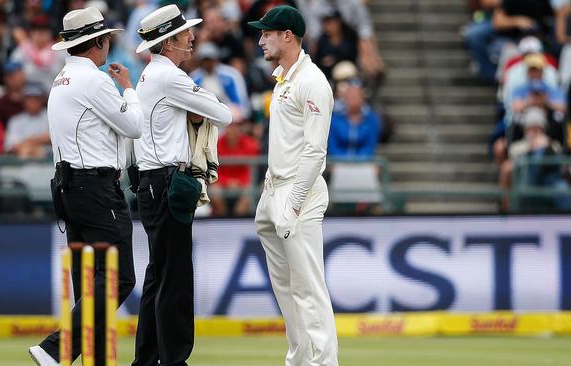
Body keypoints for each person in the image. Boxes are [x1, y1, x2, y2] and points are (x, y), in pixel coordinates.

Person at [29, 7, 141, 366]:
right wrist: (128, 89)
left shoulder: (61, 78)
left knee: (88, 282)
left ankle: (82, 358)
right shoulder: (94, 80)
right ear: (99, 43)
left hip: (69, 188)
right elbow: (134, 125)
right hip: (95, 188)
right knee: (119, 277)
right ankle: (54, 349)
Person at [131, 5, 232, 366]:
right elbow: (224, 114)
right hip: (166, 182)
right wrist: (201, 105)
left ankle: (146, 359)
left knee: (159, 276)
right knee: (174, 278)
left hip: (153, 182)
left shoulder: (151, 74)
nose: (192, 37)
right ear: (170, 41)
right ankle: (174, 360)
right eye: (185, 33)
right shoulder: (169, 77)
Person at [249, 5, 339, 365]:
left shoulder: (313, 81)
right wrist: (271, 196)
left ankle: (323, 363)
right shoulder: (283, 78)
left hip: (298, 194)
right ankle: (299, 360)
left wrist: (293, 203)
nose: (260, 41)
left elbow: (316, 152)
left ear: (287, 36)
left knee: (308, 289)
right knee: (286, 290)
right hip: (275, 191)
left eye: (266, 34)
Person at [3, 82, 50, 158]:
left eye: (36, 98)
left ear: (42, 100)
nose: (32, 102)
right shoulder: (15, 120)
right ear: (23, 101)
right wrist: (36, 142)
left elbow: (52, 139)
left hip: (48, 160)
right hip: (22, 159)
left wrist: (31, 142)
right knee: (25, 151)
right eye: (29, 99)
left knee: (39, 151)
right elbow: (11, 146)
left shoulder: (50, 117)